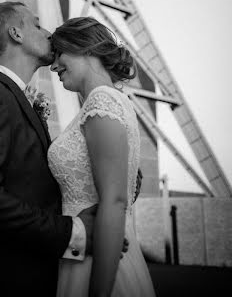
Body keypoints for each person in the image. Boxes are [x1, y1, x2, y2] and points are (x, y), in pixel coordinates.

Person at [0, 2, 99, 297]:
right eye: (37, 23)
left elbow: (35, 188)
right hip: (2, 283)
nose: (48, 33)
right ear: (16, 33)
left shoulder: (16, 99)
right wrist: (73, 232)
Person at [50, 16, 156, 297]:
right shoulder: (108, 102)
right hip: (85, 253)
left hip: (99, 264)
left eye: (59, 53)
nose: (53, 65)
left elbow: (115, 201)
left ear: (85, 48)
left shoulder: (101, 102)